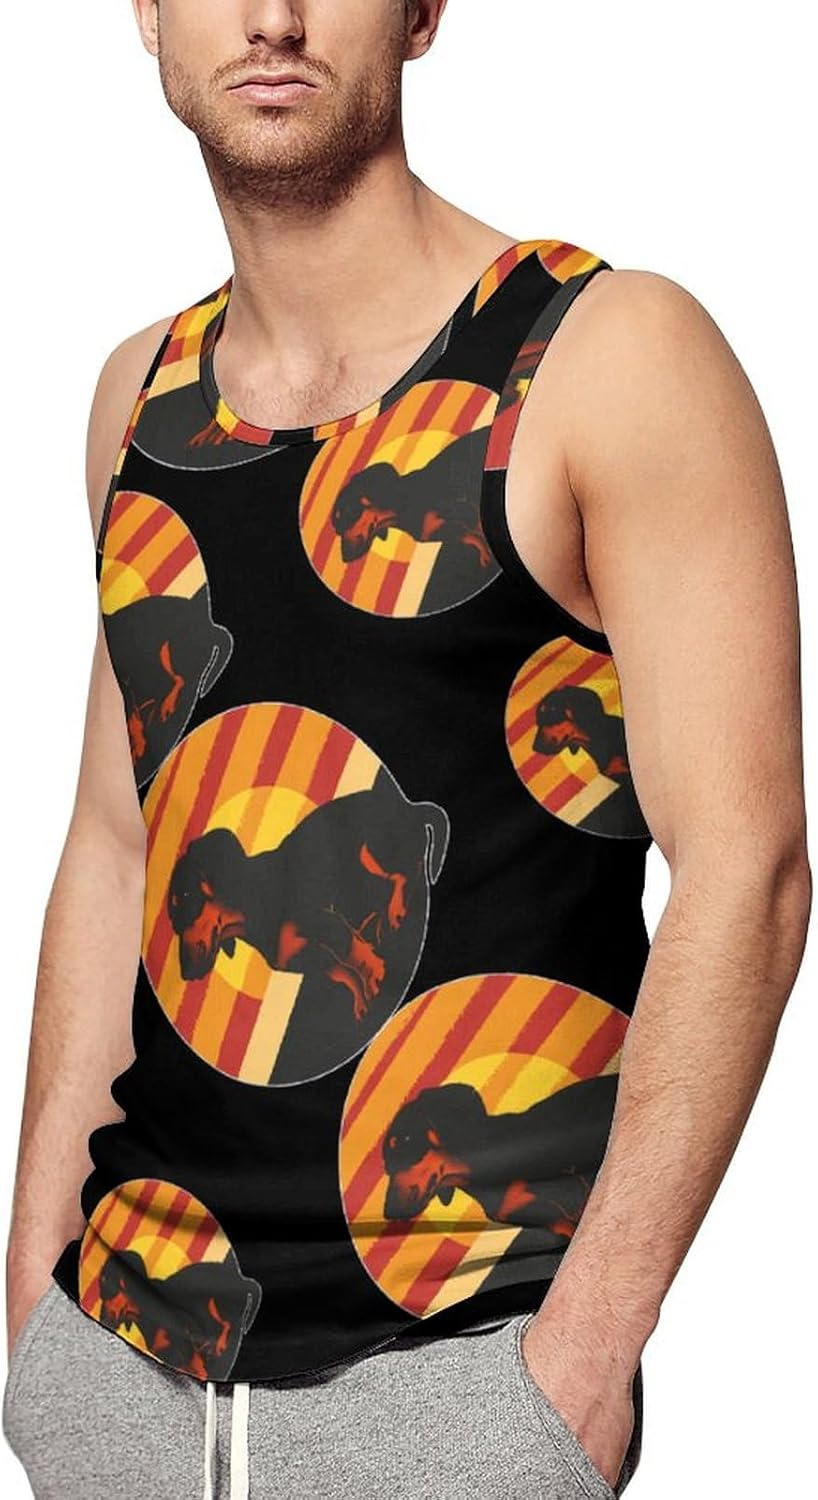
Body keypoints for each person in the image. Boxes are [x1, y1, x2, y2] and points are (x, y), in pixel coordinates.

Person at [2, 2, 810, 1497]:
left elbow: (747, 873)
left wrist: (573, 1371)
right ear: (147, 15)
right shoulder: (140, 400)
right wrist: (33, 1300)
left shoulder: (603, 355)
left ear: (424, 9)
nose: (273, 18)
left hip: (469, 1377)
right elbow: (120, 846)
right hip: (118, 1362)